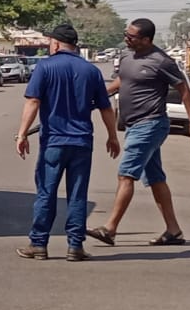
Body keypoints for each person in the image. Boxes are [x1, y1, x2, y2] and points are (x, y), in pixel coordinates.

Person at [87, 18, 190, 248]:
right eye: (126, 34)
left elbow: (184, 90)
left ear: (146, 39)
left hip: (150, 124)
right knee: (156, 179)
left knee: (126, 175)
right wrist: (94, 99)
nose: (126, 39)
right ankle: (174, 231)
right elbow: (121, 81)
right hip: (132, 125)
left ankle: (110, 229)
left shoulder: (161, 61)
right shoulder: (126, 57)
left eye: (131, 37)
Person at [13, 24, 120, 262]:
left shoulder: (45, 67)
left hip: (54, 141)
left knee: (46, 193)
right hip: (82, 142)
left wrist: (21, 134)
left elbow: (33, 102)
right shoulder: (90, 71)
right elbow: (105, 107)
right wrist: (112, 136)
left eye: (50, 41)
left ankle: (39, 244)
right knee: (77, 194)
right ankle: (75, 246)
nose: (49, 45)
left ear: (57, 44)